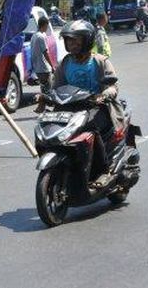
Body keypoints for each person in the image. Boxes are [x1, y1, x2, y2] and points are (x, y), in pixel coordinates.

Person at [51, 20, 125, 186]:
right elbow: (56, 87)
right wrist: (45, 97)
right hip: (71, 109)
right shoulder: (65, 63)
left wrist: (105, 94)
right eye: (69, 40)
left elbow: (113, 85)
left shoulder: (100, 61)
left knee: (90, 127)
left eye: (76, 40)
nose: (72, 44)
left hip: (98, 107)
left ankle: (104, 170)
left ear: (87, 40)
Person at [31, 16, 55, 113]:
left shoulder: (34, 36)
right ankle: (48, 108)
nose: (47, 28)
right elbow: (46, 52)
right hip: (44, 67)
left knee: (43, 88)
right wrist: (52, 65)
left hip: (37, 67)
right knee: (48, 90)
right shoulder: (41, 36)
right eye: (47, 26)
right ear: (44, 25)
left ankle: (40, 108)